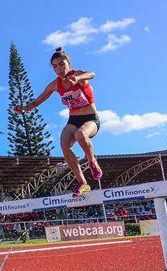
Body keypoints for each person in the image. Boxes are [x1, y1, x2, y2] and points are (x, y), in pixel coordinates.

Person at [14, 47, 102, 197]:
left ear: (69, 63)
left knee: (81, 135)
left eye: (61, 64)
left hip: (90, 118)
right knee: (64, 144)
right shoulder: (55, 85)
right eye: (54, 66)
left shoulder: (78, 75)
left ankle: (92, 161)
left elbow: (92, 74)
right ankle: (83, 183)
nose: (58, 69)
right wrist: (23, 109)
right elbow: (37, 101)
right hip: (73, 119)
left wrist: (78, 79)